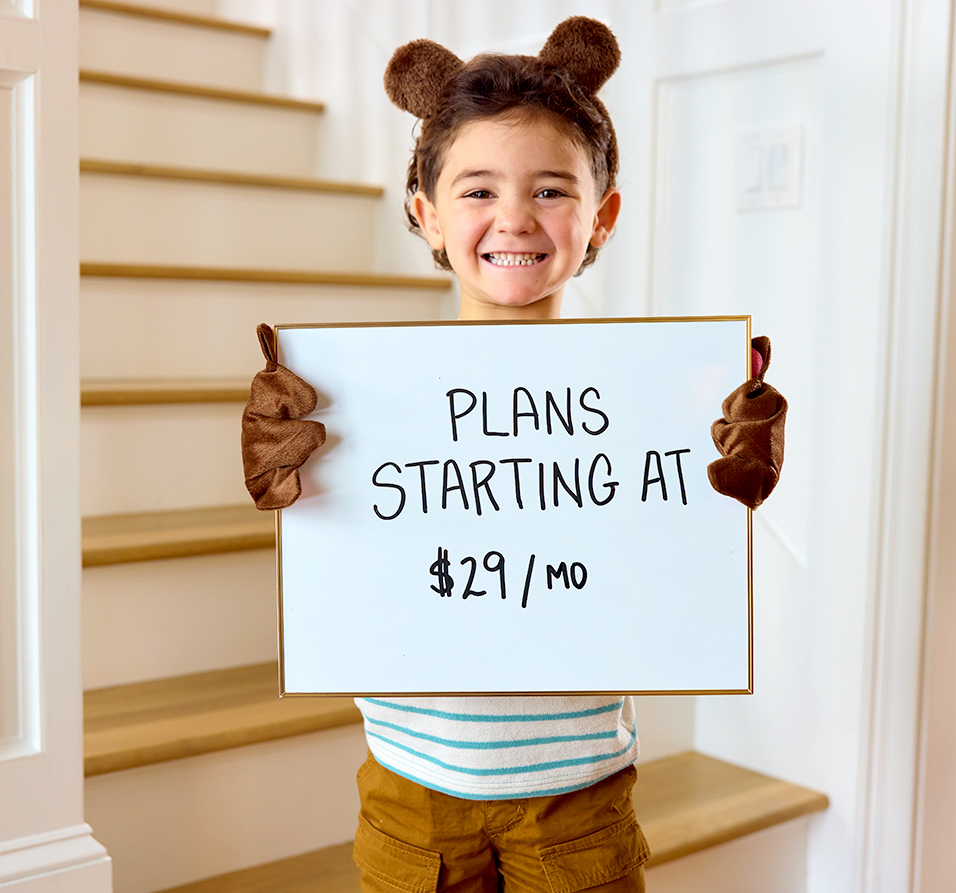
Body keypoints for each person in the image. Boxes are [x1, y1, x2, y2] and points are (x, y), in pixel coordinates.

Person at [241, 17, 786, 892]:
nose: (514, 218)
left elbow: (681, 560)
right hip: (411, 790)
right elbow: (341, 548)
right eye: (477, 190)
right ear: (425, 214)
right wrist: (281, 471)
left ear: (600, 216)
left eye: (551, 190)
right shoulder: (359, 401)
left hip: (580, 792)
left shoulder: (652, 401)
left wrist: (731, 473)